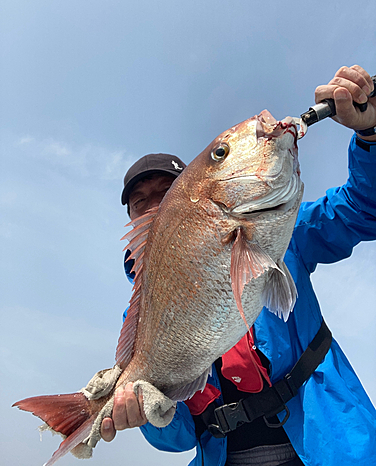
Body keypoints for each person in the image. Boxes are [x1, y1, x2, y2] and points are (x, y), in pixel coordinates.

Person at [101, 65, 376, 466]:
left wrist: (370, 134)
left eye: (166, 190)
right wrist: (145, 411)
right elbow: (178, 441)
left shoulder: (285, 232)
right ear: (131, 219)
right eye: (141, 200)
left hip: (331, 444)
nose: (155, 204)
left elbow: (363, 210)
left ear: (192, 194)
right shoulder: (143, 317)